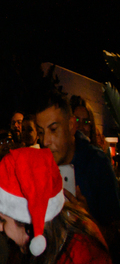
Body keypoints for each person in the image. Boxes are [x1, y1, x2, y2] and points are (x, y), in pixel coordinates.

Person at [34, 90, 120, 231]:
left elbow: (115, 237)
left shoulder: (97, 164)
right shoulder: (38, 165)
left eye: (54, 129)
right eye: (41, 132)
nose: (45, 141)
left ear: (71, 125)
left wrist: (87, 220)